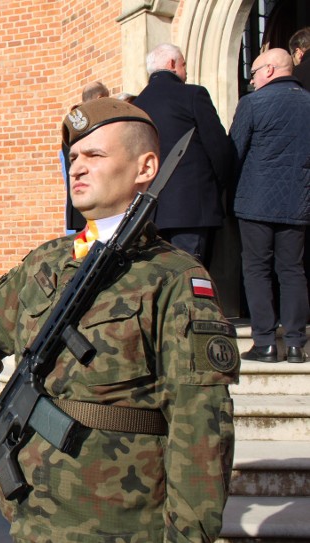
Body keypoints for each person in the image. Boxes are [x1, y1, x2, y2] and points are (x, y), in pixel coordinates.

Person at [0, 98, 238, 543]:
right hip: (33, 531)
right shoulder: (45, 263)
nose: (78, 168)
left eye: (95, 156)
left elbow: (201, 432)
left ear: (146, 166)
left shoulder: (174, 279)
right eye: (73, 159)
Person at [229, 48, 310, 363]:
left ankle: (264, 342)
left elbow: (234, 151)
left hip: (255, 201)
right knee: (292, 271)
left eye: (254, 72)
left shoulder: (252, 103)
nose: (252, 79)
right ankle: (294, 344)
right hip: (298, 201)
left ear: (271, 69)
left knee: (257, 269)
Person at [133, 43, 233, 265]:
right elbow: (219, 149)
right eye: (184, 65)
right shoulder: (193, 94)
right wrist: (221, 187)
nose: (185, 72)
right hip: (191, 208)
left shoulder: (137, 105)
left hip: (149, 213)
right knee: (191, 279)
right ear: (172, 64)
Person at [64, 81, 111, 232]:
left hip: (79, 201)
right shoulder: (95, 122)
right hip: (98, 202)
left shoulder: (72, 124)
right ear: (99, 98)